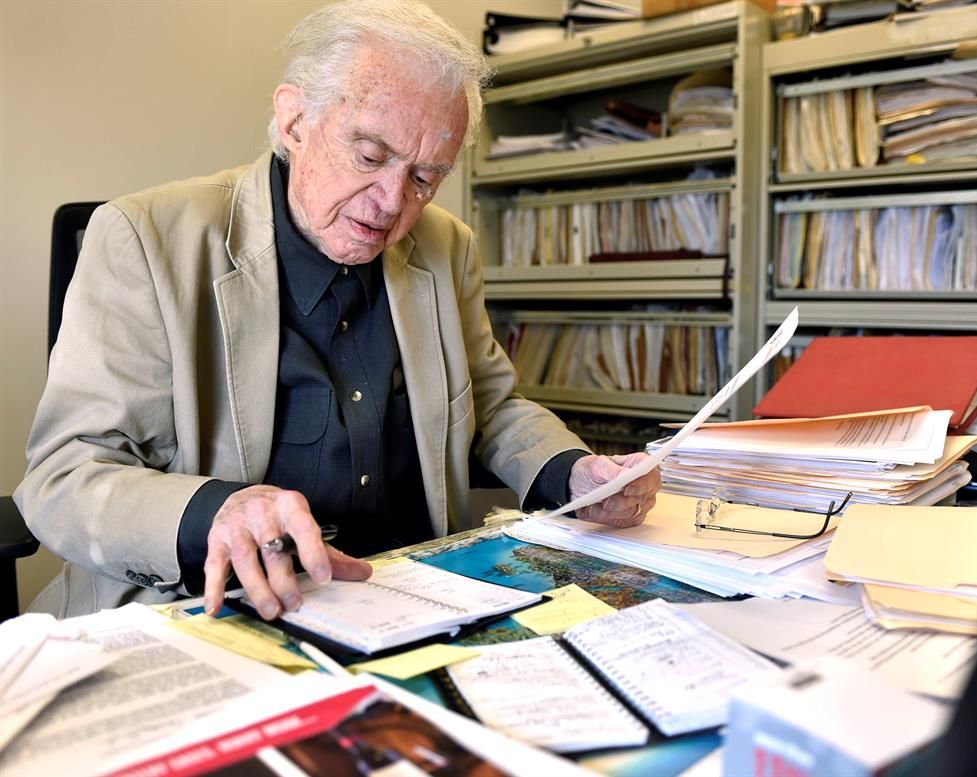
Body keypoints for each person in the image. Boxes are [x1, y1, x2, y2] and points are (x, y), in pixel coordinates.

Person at [15, 0, 660, 620]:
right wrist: (216, 513)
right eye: (371, 155)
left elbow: (490, 407)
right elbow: (64, 478)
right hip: (214, 609)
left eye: (424, 178)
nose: (391, 202)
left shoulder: (445, 248)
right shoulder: (144, 237)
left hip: (408, 597)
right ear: (294, 122)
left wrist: (575, 475)